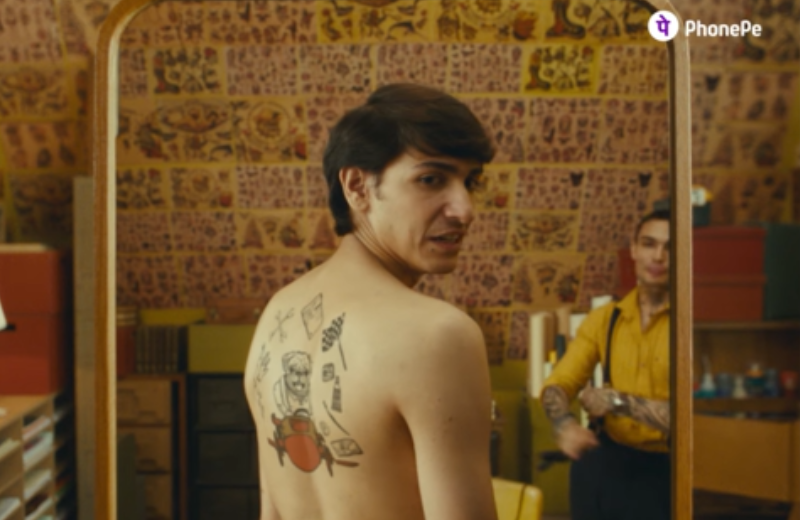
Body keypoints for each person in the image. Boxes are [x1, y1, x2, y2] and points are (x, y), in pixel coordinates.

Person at [243, 83, 499, 520]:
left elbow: (272, 512)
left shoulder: (278, 313)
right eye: (431, 179)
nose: (465, 209)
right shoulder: (438, 335)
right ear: (357, 186)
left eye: (469, 182)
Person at [540, 209, 672, 520]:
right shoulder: (605, 319)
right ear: (634, 249)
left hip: (668, 469)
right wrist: (564, 425)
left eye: (670, 247)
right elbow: (558, 384)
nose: (658, 256)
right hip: (610, 463)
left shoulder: (693, 325)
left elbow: (692, 418)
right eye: (649, 244)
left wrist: (617, 402)